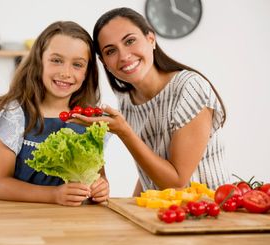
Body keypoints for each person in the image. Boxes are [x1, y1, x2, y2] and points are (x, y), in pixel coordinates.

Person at [70, 7, 230, 194]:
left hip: (210, 213)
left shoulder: (190, 88)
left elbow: (176, 182)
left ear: (151, 39)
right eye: (111, 51)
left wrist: (124, 132)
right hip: (164, 214)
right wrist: (132, 205)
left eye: (130, 41)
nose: (124, 56)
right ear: (104, 62)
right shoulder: (127, 100)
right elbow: (152, 168)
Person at [0, 21, 109, 206]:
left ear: (88, 72)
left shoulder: (91, 119)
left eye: (78, 65)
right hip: (17, 222)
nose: (66, 72)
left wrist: (100, 188)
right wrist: (54, 195)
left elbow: (98, 178)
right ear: (39, 61)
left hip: (68, 225)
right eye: (56, 60)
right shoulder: (15, 114)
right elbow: (1, 185)